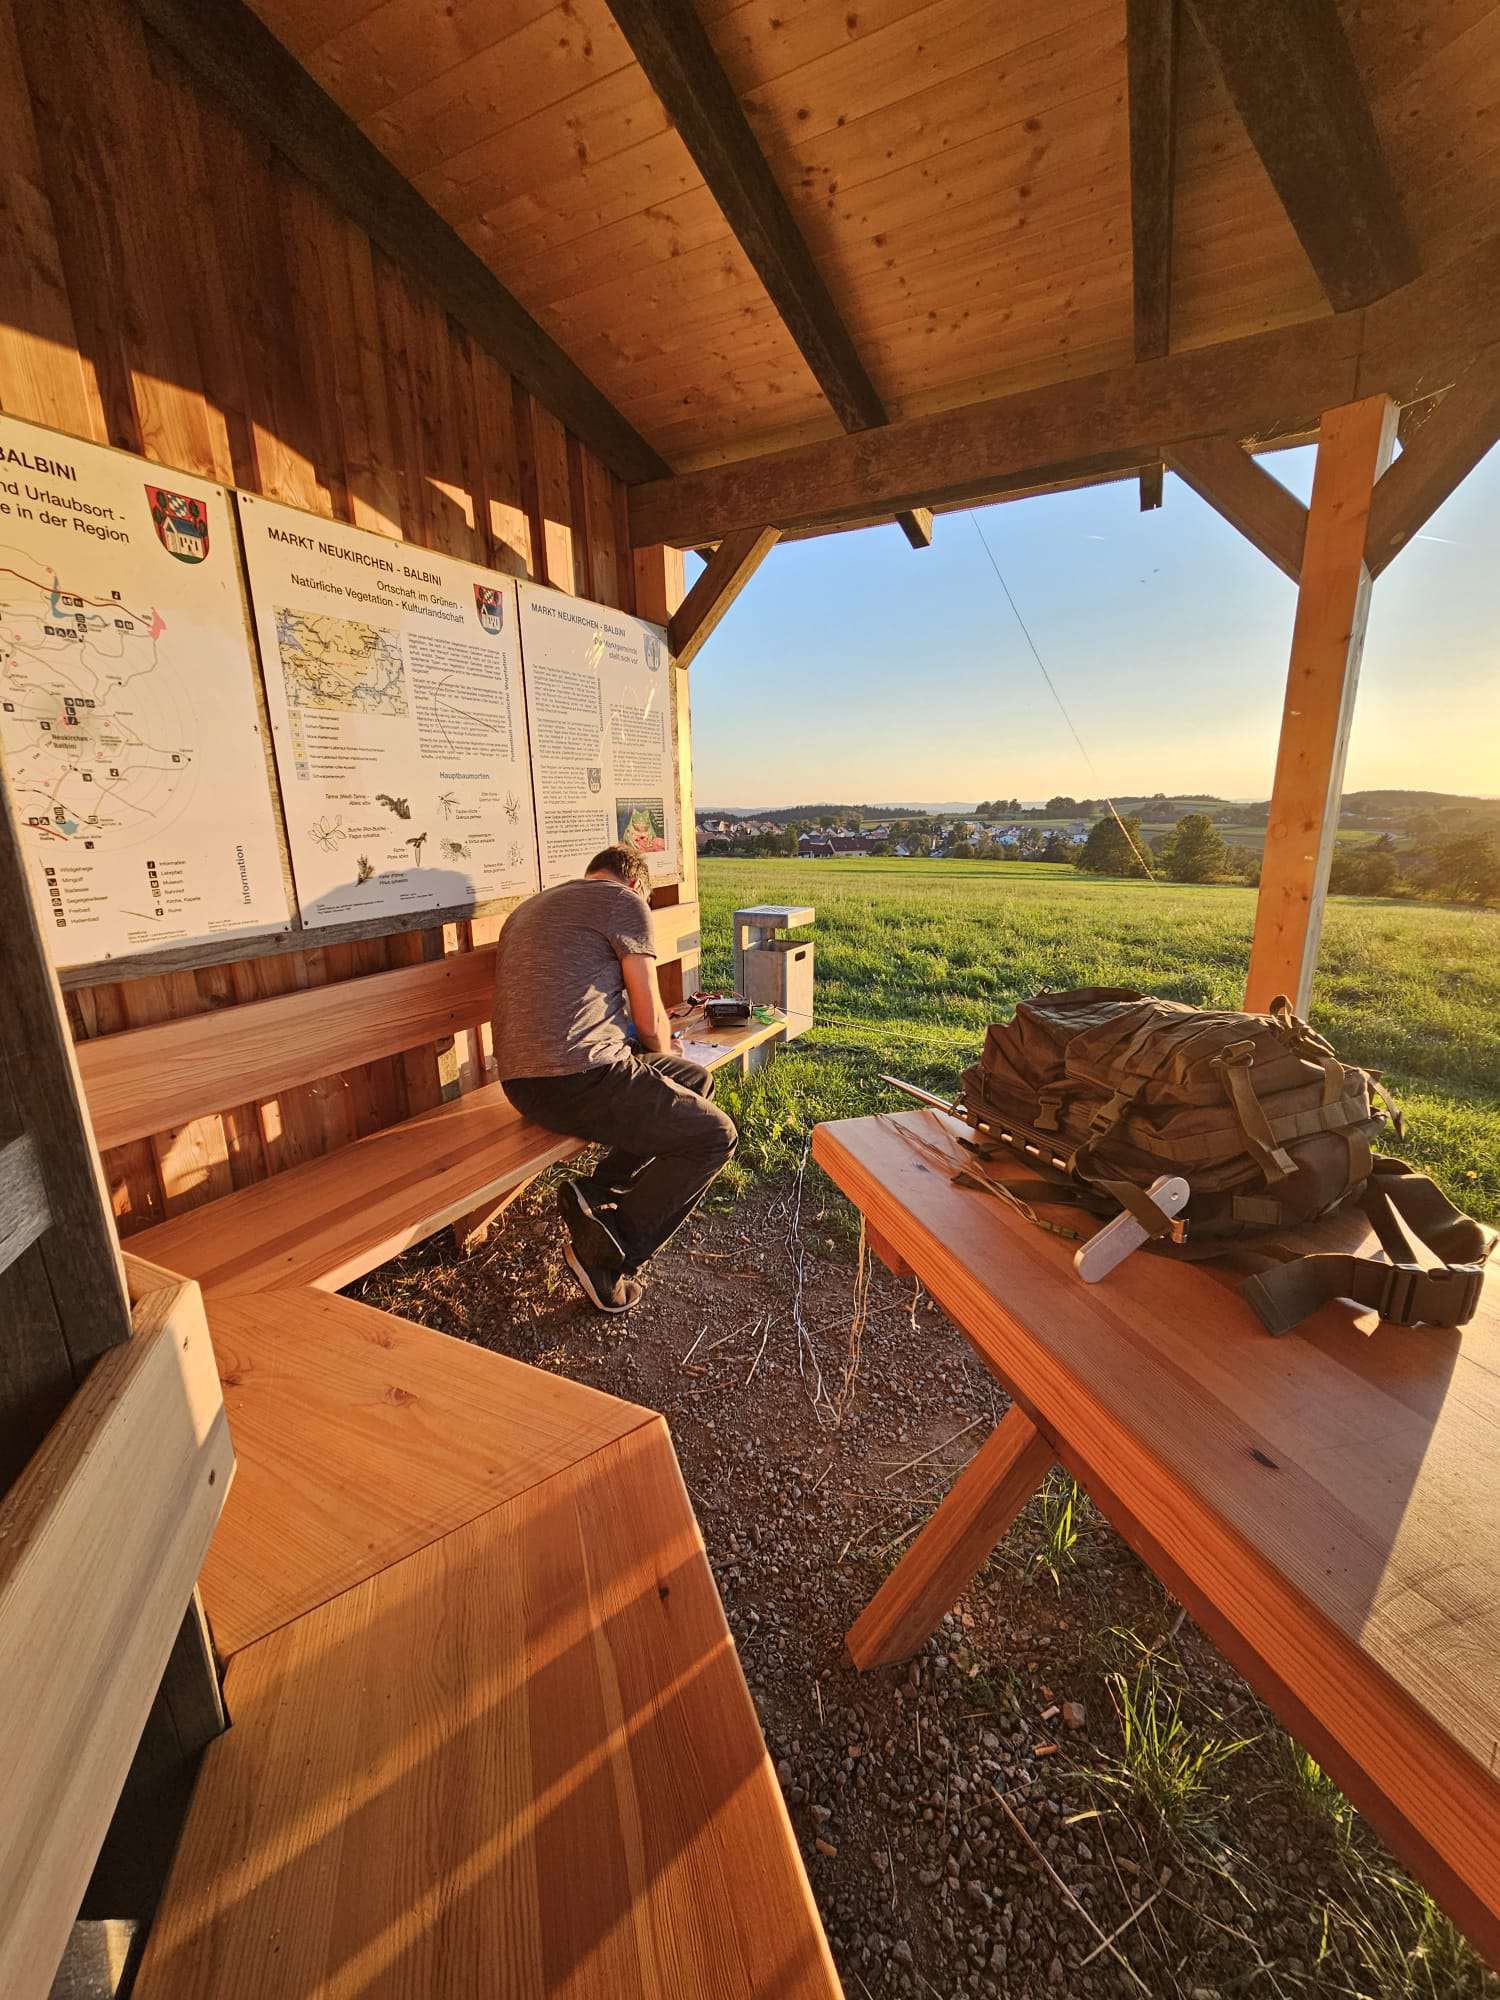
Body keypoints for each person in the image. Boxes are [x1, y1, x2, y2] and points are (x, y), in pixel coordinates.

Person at [493, 844, 737, 1313]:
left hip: (521, 1084)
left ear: (593, 873)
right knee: (714, 1135)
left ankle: (598, 1192)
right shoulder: (625, 901)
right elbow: (648, 1017)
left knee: (693, 1081)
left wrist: (660, 1062)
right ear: (637, 885)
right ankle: (610, 1252)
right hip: (577, 1077)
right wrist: (661, 1047)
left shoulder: (531, 906)